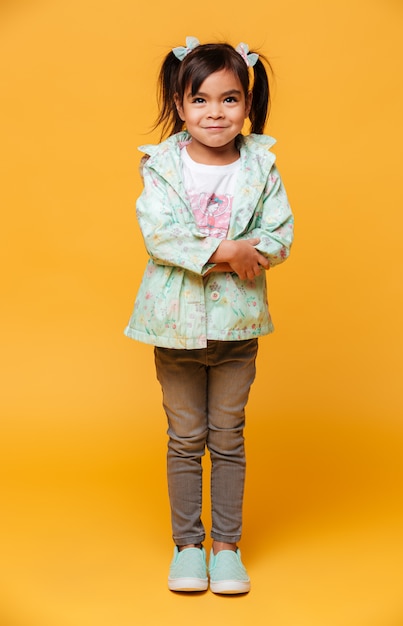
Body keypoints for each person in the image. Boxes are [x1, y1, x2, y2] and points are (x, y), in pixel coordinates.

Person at [125, 36, 294, 594]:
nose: (215, 112)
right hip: (173, 327)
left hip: (236, 330)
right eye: (200, 100)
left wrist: (253, 249)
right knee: (184, 437)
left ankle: (226, 547)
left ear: (247, 104)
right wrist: (230, 251)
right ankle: (188, 546)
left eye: (229, 99)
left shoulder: (261, 166)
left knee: (228, 437)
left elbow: (279, 235)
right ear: (179, 104)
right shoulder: (162, 166)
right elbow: (160, 234)